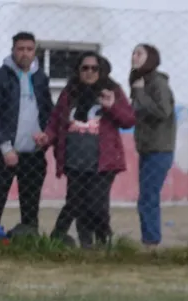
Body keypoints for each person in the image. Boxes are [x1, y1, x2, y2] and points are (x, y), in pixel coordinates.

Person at [38, 53, 135, 248]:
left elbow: (128, 120)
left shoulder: (112, 90)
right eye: (85, 68)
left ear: (101, 70)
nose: (89, 72)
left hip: (103, 162)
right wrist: (46, 137)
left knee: (97, 205)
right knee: (76, 203)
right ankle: (85, 245)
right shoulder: (70, 92)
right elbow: (56, 120)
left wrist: (111, 106)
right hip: (75, 160)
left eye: (94, 68)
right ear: (78, 70)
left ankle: (104, 241)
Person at [0, 31, 53, 233]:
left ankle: (28, 243)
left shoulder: (41, 79)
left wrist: (46, 136)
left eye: (29, 49)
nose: (25, 53)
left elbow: (48, 111)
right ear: (13, 50)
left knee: (31, 208)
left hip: (34, 155)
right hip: (4, 155)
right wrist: (5, 148)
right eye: (20, 49)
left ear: (35, 51)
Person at [129, 43, 176, 246]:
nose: (134, 56)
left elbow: (163, 112)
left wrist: (140, 94)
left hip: (160, 149)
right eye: (133, 53)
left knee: (148, 197)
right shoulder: (140, 82)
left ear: (150, 58)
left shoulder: (157, 83)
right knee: (146, 197)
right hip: (147, 148)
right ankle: (149, 238)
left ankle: (151, 240)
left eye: (139, 53)